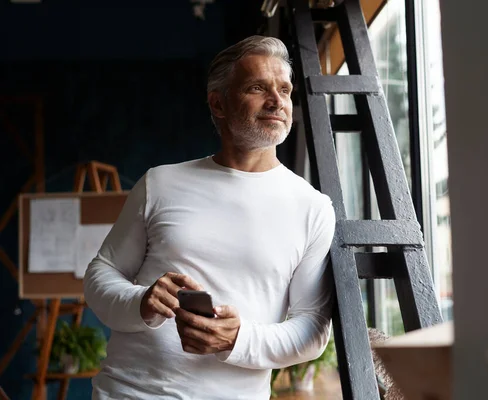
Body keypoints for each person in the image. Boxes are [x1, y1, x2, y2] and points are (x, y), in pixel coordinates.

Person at [83, 35, 336, 399]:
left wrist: (239, 338)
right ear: (219, 103)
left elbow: (312, 328)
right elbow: (101, 273)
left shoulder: (312, 207)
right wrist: (141, 302)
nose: (277, 101)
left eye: (284, 89)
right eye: (257, 88)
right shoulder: (160, 182)